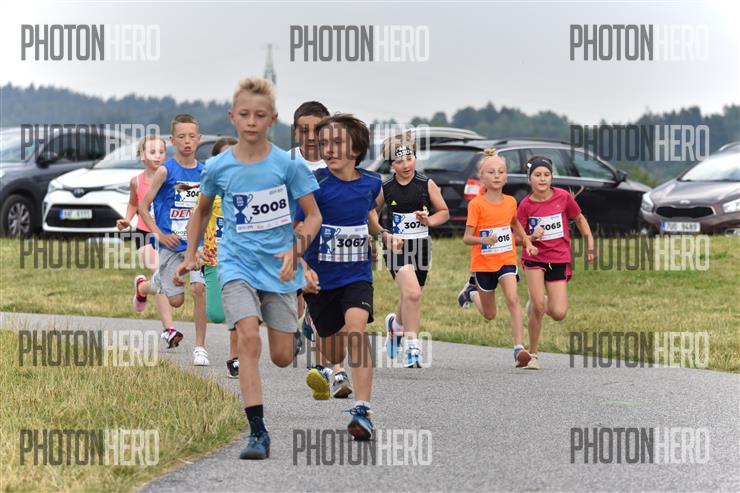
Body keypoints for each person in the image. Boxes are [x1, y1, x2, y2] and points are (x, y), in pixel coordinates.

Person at [176, 78, 322, 460]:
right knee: (248, 338)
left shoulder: (287, 165)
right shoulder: (219, 166)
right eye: (244, 114)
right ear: (233, 117)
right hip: (235, 263)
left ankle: (296, 333)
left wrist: (296, 249)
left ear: (272, 119)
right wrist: (190, 253)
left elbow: (313, 215)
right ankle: (257, 432)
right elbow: (201, 211)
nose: (252, 121)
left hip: (278, 268)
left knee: (282, 356)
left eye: (260, 115)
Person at [298, 113, 382, 441]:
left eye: (337, 143)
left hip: (356, 276)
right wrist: (302, 266)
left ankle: (363, 410)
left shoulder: (372, 184)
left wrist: (379, 236)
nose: (329, 149)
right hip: (320, 280)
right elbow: (297, 227)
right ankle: (313, 323)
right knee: (334, 354)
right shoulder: (313, 185)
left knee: (357, 331)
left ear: (357, 149)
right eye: (324, 144)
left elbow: (368, 214)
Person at [134, 115, 209, 366]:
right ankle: (149, 284)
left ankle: (200, 348)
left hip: (196, 244)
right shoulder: (165, 171)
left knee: (198, 288)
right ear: (172, 140)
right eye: (181, 137)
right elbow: (143, 206)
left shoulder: (204, 172)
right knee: (176, 301)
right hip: (170, 244)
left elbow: (208, 209)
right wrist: (159, 234)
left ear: (199, 139)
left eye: (192, 136)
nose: (187, 141)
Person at [292, 101, 352, 399]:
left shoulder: (337, 162)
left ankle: (333, 370)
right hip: (295, 242)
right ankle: (308, 330)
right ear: (295, 132)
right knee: (308, 304)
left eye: (317, 130)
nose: (311, 137)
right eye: (304, 130)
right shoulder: (287, 164)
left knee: (335, 308)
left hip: (332, 246)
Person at [457, 148, 538, 368]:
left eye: (501, 172)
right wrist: (484, 240)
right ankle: (470, 293)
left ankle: (519, 348)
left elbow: (515, 223)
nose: (496, 176)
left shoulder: (511, 201)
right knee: (490, 314)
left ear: (506, 177)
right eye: (491, 172)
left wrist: (528, 242)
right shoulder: (476, 204)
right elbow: (467, 238)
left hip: (506, 259)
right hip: (483, 264)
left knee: (513, 298)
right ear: (482, 177)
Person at [376, 132, 449, 368]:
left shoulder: (426, 184)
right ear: (391, 164)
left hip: (421, 246)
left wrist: (429, 220)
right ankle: (413, 349)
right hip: (396, 247)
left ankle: (395, 326)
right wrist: (384, 235)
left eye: (409, 159)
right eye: (399, 161)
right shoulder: (386, 187)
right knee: (413, 294)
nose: (405, 165)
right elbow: (370, 215)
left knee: (411, 295)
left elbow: (443, 212)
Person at [517, 155, 594, 370]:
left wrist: (590, 244)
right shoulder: (525, 206)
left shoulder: (563, 197)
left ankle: (536, 302)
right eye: (537, 175)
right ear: (529, 179)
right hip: (534, 258)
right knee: (539, 308)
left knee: (559, 313)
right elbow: (517, 238)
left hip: (558, 258)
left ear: (552, 177)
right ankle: (533, 355)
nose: (542, 179)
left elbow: (579, 219)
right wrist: (531, 237)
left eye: (546, 175)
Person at [120, 135, 176, 337]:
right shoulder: (136, 181)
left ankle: (142, 288)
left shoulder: (170, 178)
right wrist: (127, 219)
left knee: (164, 280)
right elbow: (133, 203)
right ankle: (169, 330)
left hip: (166, 235)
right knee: (160, 273)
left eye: (161, 152)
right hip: (144, 234)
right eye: (152, 152)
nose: (158, 156)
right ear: (142, 155)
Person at [199, 136, 240, 377]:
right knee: (216, 314)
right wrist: (194, 249)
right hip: (214, 258)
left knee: (238, 309)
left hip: (241, 260)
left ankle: (235, 358)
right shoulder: (209, 190)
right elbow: (198, 219)